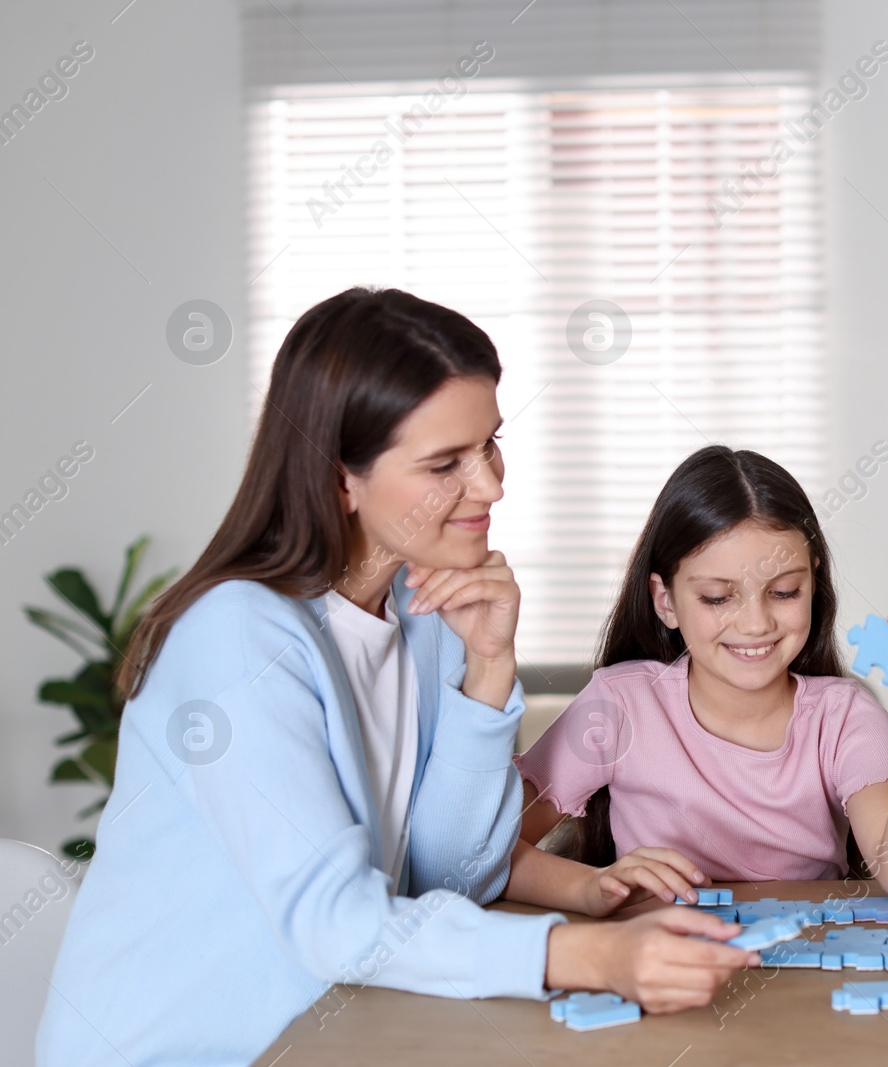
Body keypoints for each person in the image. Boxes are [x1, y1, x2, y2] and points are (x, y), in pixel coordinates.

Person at [38, 289, 757, 1067]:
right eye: (446, 463)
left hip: (341, 1035)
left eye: (490, 444)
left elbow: (451, 878)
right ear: (339, 476)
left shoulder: (424, 614)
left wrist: (487, 670)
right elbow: (335, 921)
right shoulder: (236, 636)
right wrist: (590, 956)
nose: (490, 485)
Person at [504, 445, 888, 912]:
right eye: (717, 597)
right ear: (665, 601)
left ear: (813, 584)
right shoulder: (619, 706)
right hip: (654, 962)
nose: (754, 624)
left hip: (804, 962)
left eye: (784, 591)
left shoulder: (844, 716)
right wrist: (589, 887)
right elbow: (482, 852)